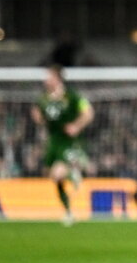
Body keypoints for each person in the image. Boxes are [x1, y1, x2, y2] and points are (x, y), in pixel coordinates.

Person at [31, 65, 93, 226]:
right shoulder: (44, 99)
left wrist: (76, 126)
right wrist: (39, 118)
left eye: (49, 77)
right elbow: (37, 112)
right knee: (53, 176)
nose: (45, 80)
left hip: (69, 141)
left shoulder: (71, 97)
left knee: (58, 174)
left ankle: (74, 172)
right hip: (53, 142)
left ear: (57, 79)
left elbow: (88, 112)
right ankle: (68, 211)